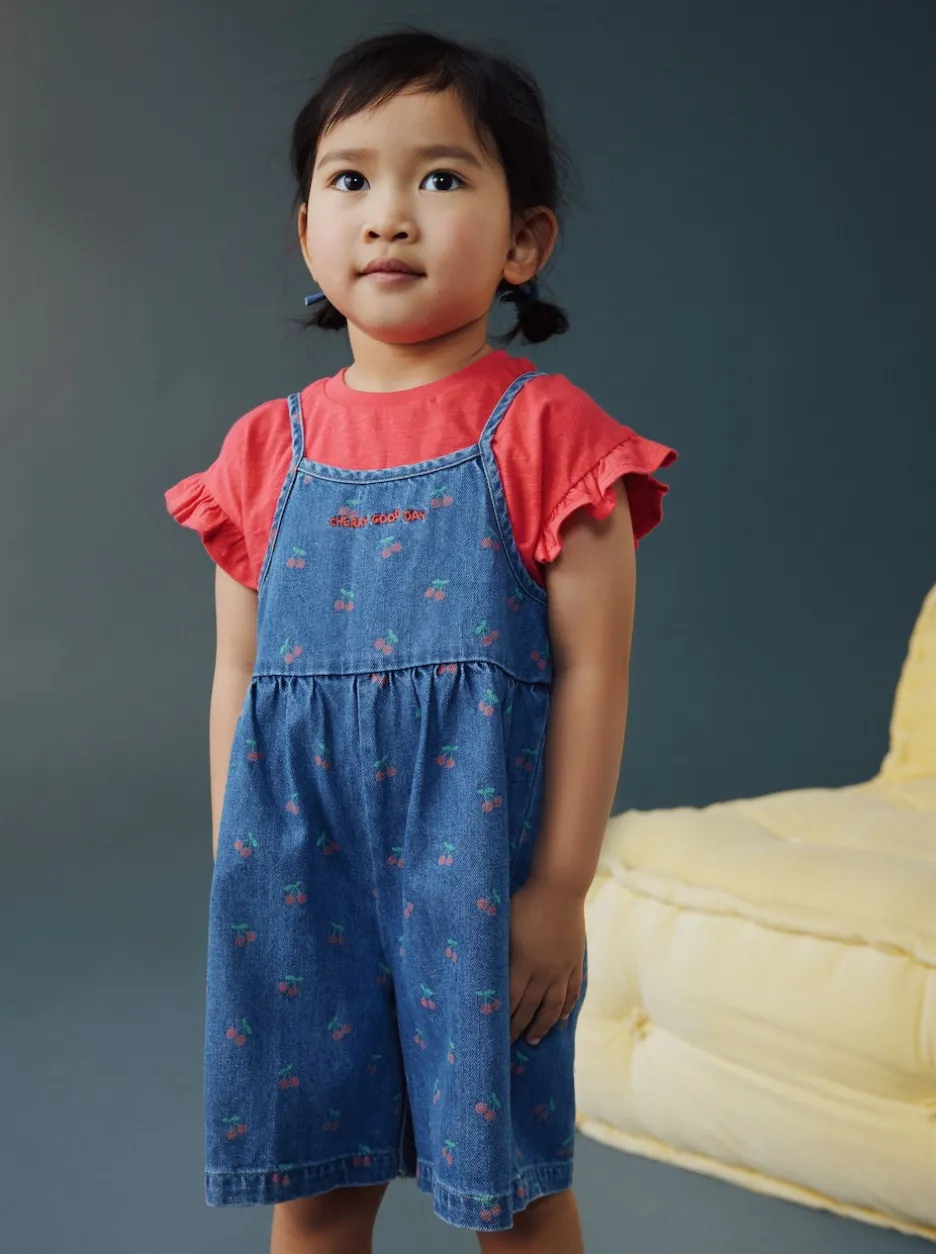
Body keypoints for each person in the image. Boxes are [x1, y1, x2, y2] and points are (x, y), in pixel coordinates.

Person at [165, 26, 677, 1254]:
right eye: (352, 179)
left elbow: (594, 670)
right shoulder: (262, 452)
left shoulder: (550, 434)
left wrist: (558, 889)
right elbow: (239, 673)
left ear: (523, 243)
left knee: (515, 1188)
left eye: (440, 177)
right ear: (307, 231)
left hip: (479, 870)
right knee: (316, 1191)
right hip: (300, 874)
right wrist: (242, 860)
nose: (389, 215)